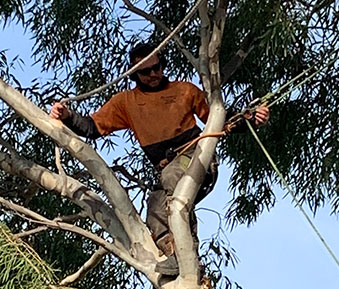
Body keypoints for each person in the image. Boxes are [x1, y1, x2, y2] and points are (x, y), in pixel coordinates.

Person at [50, 43, 270, 275]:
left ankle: (186, 257)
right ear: (135, 74)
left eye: (157, 67)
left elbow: (219, 120)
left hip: (196, 157)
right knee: (155, 212)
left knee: (172, 177)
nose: (153, 74)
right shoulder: (126, 103)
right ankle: (182, 263)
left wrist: (251, 119)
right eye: (146, 71)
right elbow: (92, 127)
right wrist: (67, 115)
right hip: (166, 167)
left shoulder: (185, 90)